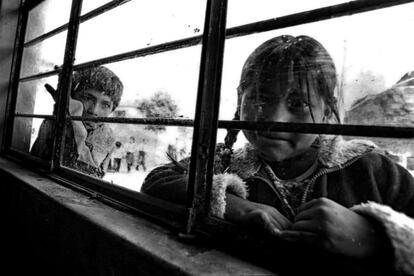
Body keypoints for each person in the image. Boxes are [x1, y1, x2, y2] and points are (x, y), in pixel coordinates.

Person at [141, 35, 414, 274]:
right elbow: (157, 181)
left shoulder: (371, 169)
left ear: (327, 111)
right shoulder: (227, 164)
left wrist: (373, 237)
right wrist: (236, 205)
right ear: (240, 101)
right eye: (260, 99)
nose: (274, 118)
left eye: (298, 103)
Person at [31, 66, 124, 178]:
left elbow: (82, 174)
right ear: (72, 96)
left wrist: (73, 114)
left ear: (112, 110)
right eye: (87, 98)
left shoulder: (106, 136)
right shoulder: (52, 121)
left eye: (105, 105)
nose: (94, 111)